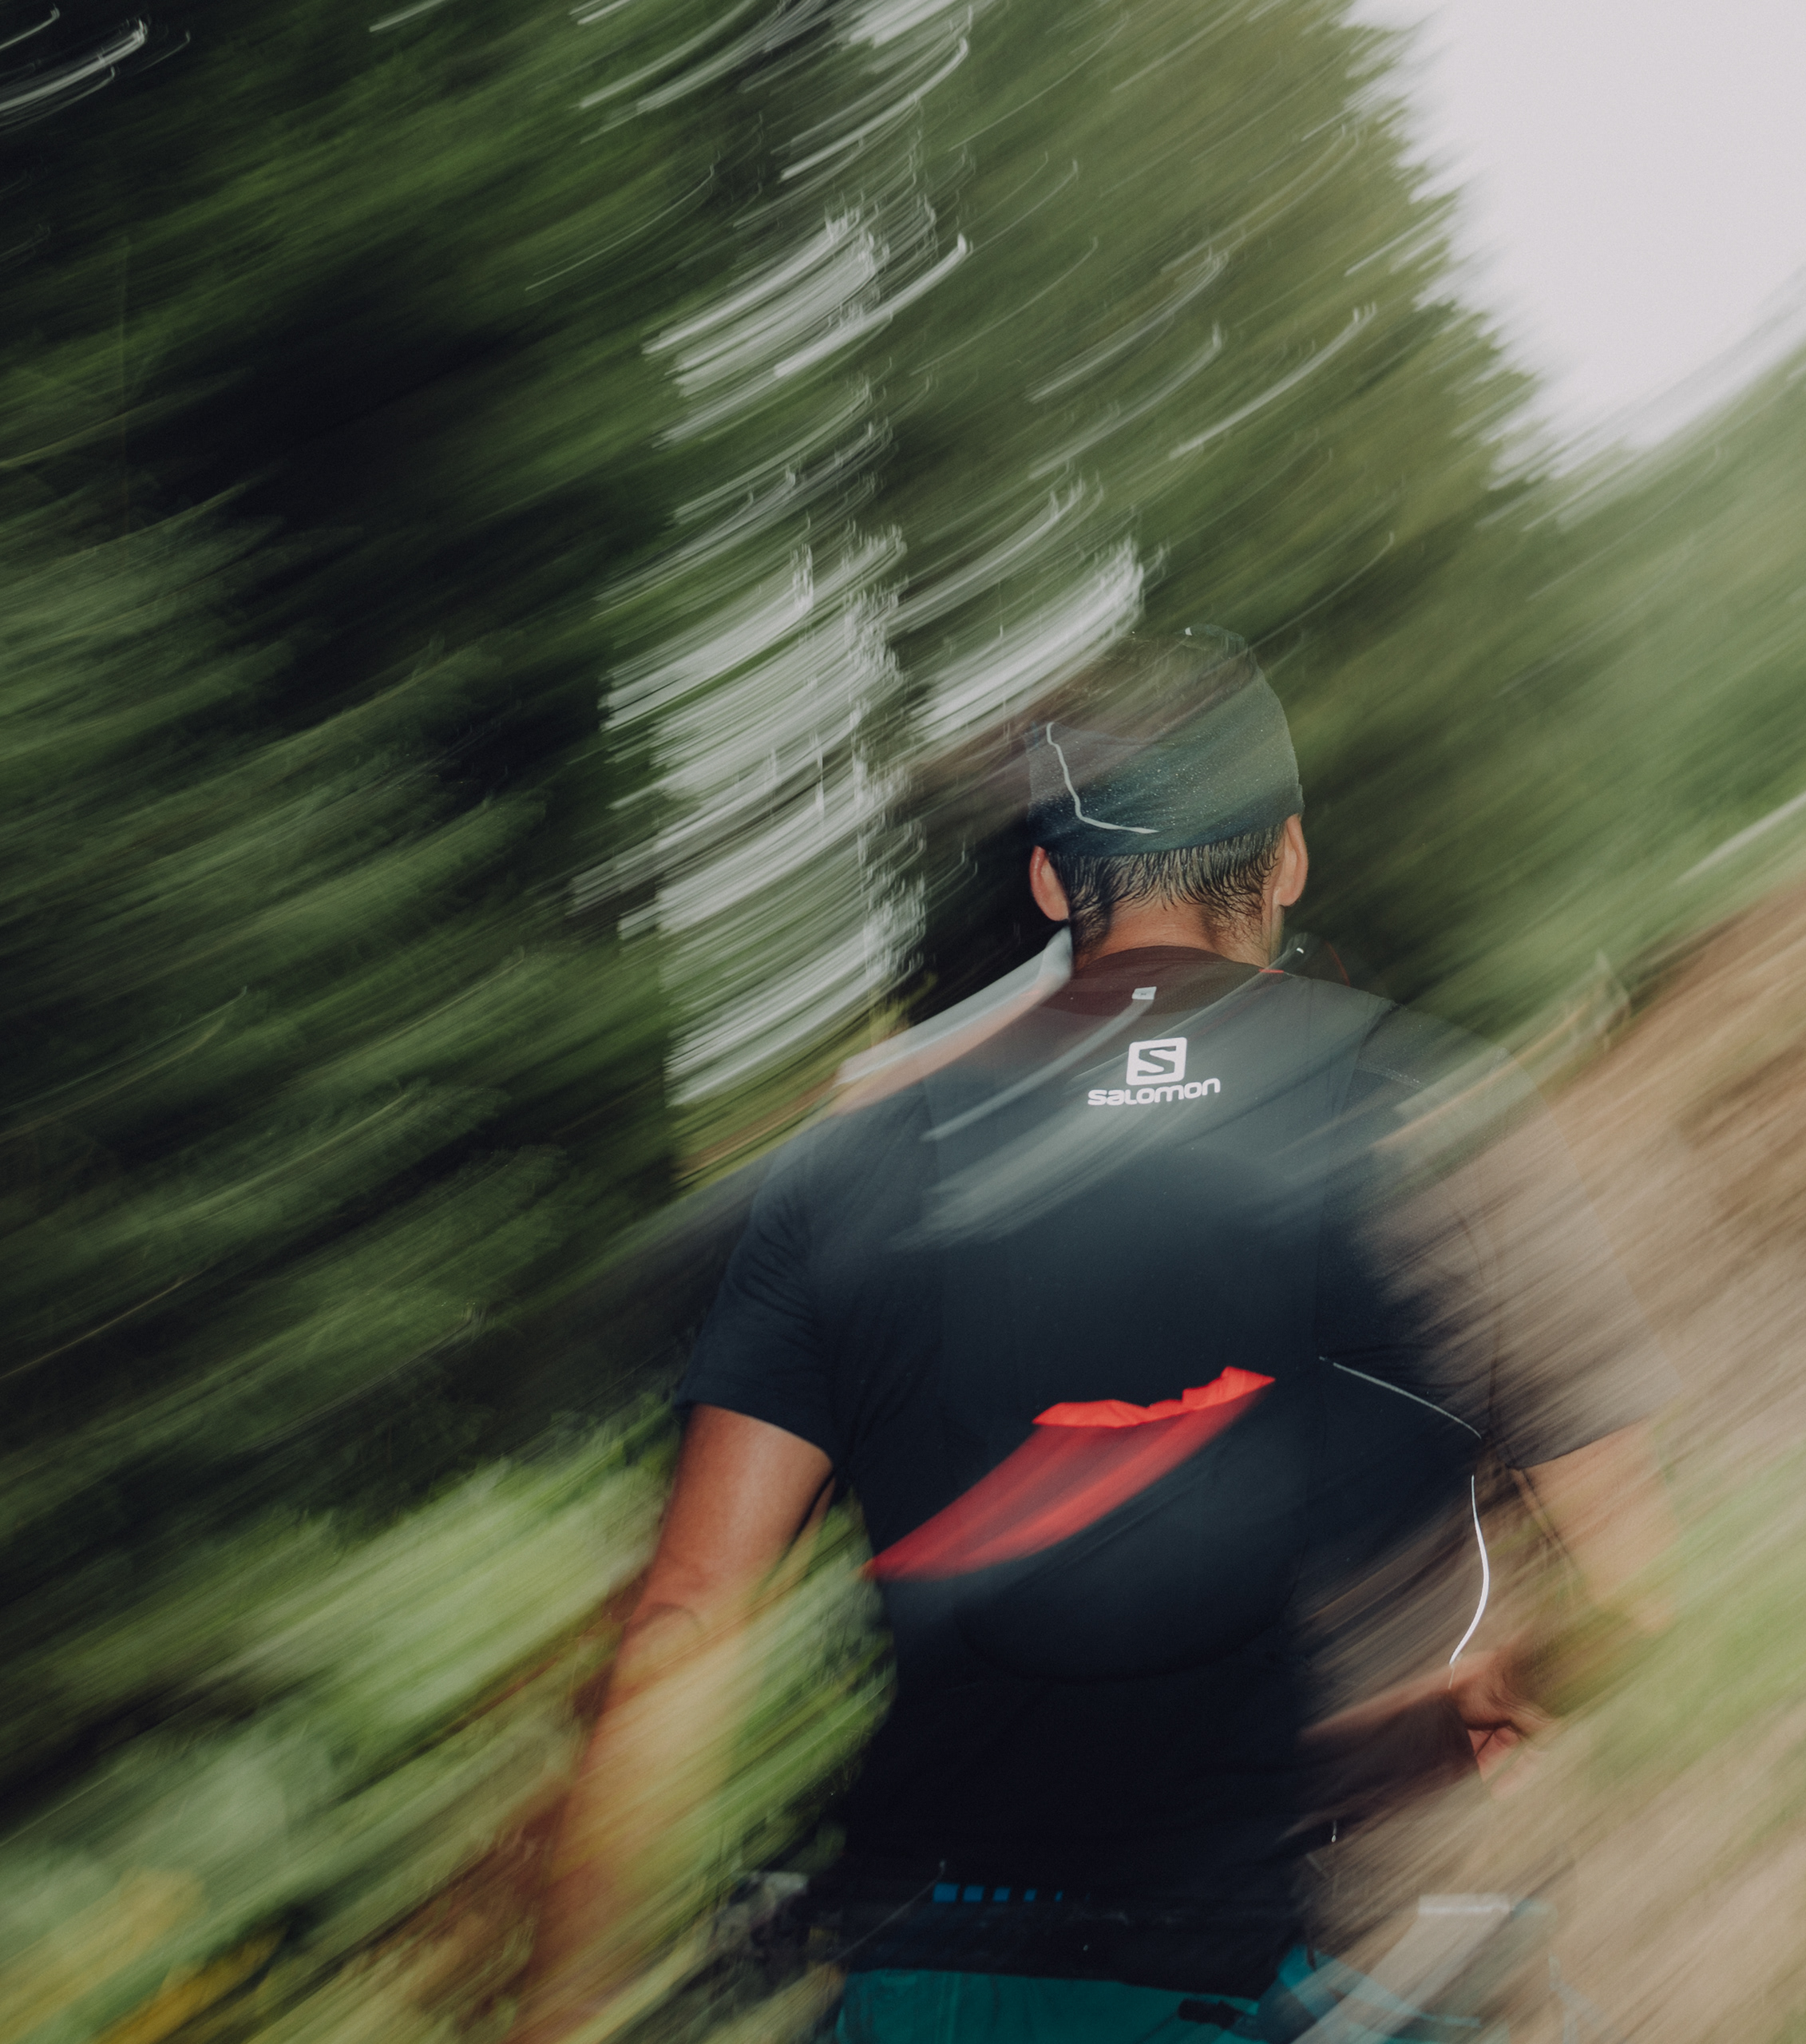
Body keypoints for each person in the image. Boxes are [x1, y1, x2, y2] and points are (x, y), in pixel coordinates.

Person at [516, 632, 1675, 2043]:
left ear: (1055, 883)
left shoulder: (851, 1166)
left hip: (943, 1978)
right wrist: (1488, 1695)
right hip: (1330, 1971)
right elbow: (1630, 1596)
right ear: (1289, 858)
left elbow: (686, 1620)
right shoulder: (1438, 1121)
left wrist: (563, 2005)